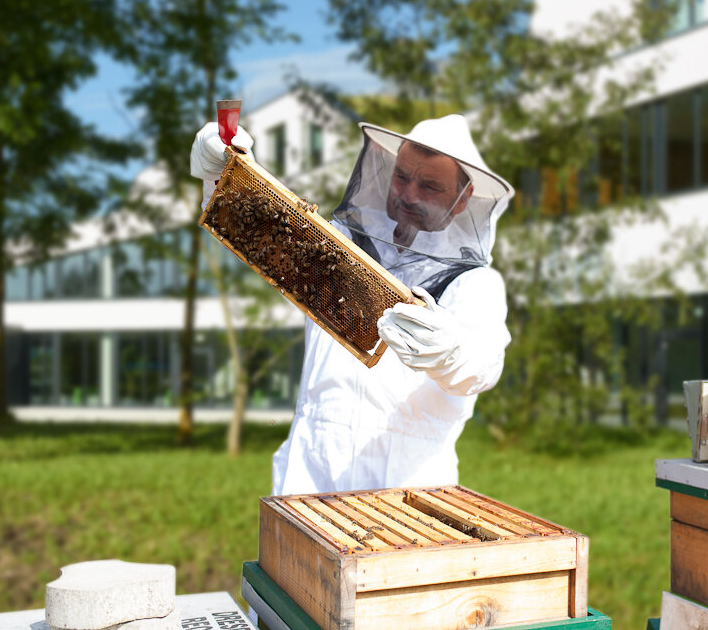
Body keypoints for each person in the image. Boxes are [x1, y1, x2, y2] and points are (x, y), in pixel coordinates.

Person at [190, 114, 514, 495]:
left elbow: (483, 366)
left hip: (410, 488)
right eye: (402, 177)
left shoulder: (474, 284)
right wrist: (221, 170)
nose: (408, 195)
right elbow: (255, 224)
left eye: (429, 186)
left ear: (463, 200)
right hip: (309, 474)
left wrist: (450, 351)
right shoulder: (342, 242)